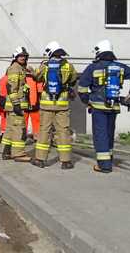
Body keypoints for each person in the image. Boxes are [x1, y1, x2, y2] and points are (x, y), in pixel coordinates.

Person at [78, 40, 130, 173]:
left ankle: (104, 165)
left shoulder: (93, 68)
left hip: (98, 107)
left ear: (98, 52)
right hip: (114, 107)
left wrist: (87, 102)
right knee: (109, 133)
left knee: (100, 134)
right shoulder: (119, 67)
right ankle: (109, 159)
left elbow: (82, 88)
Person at [30, 41, 78, 169]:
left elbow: (37, 77)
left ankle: (40, 159)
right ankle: (66, 161)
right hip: (62, 104)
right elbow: (73, 79)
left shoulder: (45, 65)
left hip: (46, 104)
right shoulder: (68, 65)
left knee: (44, 130)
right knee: (63, 131)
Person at [2, 46, 32, 162]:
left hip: (13, 106)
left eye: (24, 56)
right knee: (20, 129)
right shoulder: (15, 68)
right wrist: (16, 104)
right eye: (20, 56)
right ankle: (19, 154)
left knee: (10, 129)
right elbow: (11, 88)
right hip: (15, 105)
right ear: (16, 57)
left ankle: (6, 152)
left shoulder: (19, 68)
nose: (23, 58)